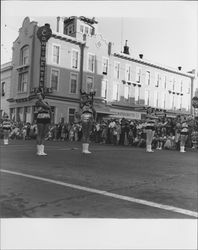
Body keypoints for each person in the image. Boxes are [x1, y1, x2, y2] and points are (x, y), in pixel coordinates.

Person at [79, 89, 96, 154]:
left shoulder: (89, 104)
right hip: (85, 116)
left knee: (88, 133)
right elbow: (83, 102)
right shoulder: (82, 102)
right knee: (85, 132)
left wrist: (92, 96)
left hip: (90, 116)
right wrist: (90, 97)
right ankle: (84, 149)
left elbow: (94, 110)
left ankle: (86, 149)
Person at [35, 90, 51, 156]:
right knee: (40, 133)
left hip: (47, 117)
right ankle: (38, 151)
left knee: (44, 134)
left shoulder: (46, 102)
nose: (39, 96)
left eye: (40, 95)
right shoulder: (37, 102)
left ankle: (42, 150)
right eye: (38, 95)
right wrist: (46, 106)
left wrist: (51, 119)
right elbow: (47, 107)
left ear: (43, 96)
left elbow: (49, 109)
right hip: (41, 117)